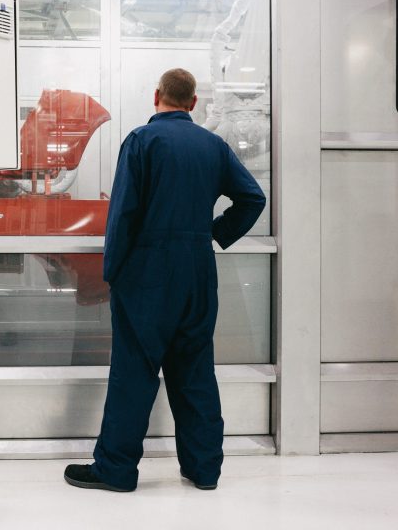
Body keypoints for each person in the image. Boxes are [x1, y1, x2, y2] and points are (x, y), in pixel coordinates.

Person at [64, 68, 266, 493]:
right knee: (194, 369)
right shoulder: (214, 145)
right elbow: (252, 197)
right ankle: (204, 469)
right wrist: (215, 232)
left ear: (156, 96)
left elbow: (123, 214)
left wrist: (112, 272)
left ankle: (116, 470)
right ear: (194, 103)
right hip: (197, 270)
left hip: (147, 272)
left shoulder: (142, 141)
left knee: (134, 371)